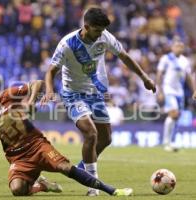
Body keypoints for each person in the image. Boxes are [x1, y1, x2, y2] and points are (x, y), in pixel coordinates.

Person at [0, 80, 133, 197]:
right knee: (17, 190)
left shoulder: (7, 95)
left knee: (65, 168)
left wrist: (30, 101)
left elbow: (37, 83)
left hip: (38, 145)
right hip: (18, 158)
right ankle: (42, 185)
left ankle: (111, 190)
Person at [40, 7, 156, 196]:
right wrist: (50, 90)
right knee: (91, 134)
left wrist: (144, 77)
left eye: (102, 30)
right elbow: (51, 71)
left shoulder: (104, 36)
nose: (100, 34)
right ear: (86, 26)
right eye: (97, 30)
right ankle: (93, 187)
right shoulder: (67, 44)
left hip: (95, 94)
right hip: (74, 94)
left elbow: (124, 56)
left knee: (106, 139)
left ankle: (81, 169)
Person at [156, 38, 196, 152]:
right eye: (177, 45)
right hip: (169, 90)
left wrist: (194, 90)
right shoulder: (166, 58)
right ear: (172, 47)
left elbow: (188, 77)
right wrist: (160, 91)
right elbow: (159, 74)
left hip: (180, 92)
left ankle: (171, 141)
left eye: (182, 46)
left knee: (177, 117)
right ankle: (166, 142)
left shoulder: (184, 61)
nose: (180, 48)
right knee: (173, 113)